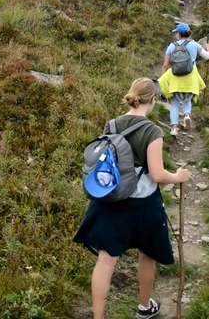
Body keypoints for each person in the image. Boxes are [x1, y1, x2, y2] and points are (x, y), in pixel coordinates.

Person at [73, 78, 190, 319]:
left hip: (111, 200)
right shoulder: (152, 131)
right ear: (154, 100)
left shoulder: (112, 125)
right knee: (147, 254)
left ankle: (98, 317)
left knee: (106, 261)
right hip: (143, 204)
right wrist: (177, 176)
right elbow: (157, 175)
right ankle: (145, 308)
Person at [159, 22, 209, 136]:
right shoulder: (195, 45)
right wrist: (208, 48)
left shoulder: (172, 46)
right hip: (191, 76)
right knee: (187, 99)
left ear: (178, 34)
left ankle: (174, 128)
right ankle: (187, 115)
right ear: (188, 34)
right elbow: (208, 57)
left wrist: (163, 77)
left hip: (175, 76)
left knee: (174, 103)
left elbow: (165, 65)